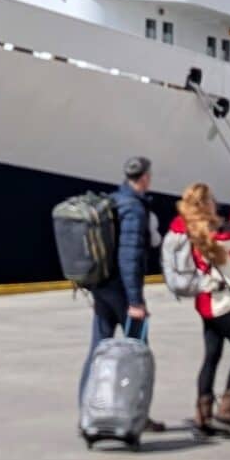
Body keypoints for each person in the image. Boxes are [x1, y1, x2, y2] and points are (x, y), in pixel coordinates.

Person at [166, 181, 230, 437]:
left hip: (205, 301)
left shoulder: (188, 227)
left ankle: (203, 414)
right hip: (222, 303)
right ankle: (226, 413)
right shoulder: (215, 234)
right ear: (207, 204)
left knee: (212, 355)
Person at [88, 157, 159, 421]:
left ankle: (88, 411)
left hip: (101, 286)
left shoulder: (114, 201)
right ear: (145, 178)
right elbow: (128, 257)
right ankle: (138, 414)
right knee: (138, 354)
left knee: (98, 350)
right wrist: (136, 302)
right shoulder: (134, 208)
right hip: (121, 291)